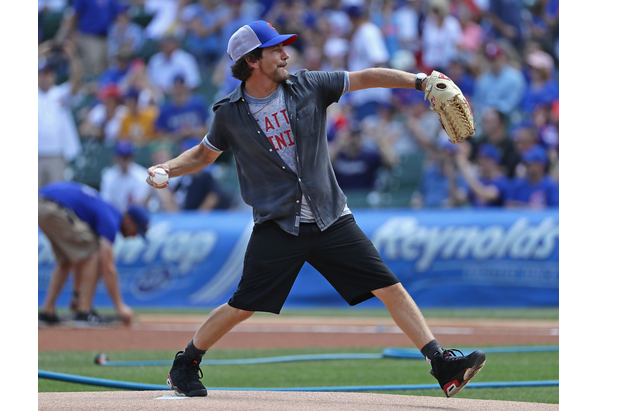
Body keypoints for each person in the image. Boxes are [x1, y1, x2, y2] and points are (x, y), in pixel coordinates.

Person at [145, 20, 486, 399]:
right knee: (242, 306)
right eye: (275, 49)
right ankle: (186, 363)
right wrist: (167, 168)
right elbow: (204, 153)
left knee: (390, 288)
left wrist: (420, 81)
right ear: (252, 60)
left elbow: (365, 77)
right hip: (278, 223)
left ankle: (442, 365)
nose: (285, 54)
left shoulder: (309, 84)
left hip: (330, 217)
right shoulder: (230, 113)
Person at [38, 181, 149, 325]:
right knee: (93, 250)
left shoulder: (107, 211)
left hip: (43, 204)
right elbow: (107, 268)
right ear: (128, 220)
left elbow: (80, 259)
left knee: (67, 261)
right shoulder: (112, 219)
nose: (134, 236)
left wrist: (77, 295)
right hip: (51, 206)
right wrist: (120, 306)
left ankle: (48, 312)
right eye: (136, 230)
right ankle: (83, 312)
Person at [54, 0, 122, 78]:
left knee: (106, 68)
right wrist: (72, 35)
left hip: (106, 37)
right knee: (94, 67)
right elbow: (75, 15)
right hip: (88, 36)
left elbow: (115, 13)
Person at [38, 40, 83, 187]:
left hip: (56, 154)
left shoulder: (59, 93)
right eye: (43, 74)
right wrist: (40, 52)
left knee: (55, 196)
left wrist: (72, 57)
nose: (46, 77)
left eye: (49, 74)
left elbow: (76, 82)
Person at [100, 140, 153, 212]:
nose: (123, 160)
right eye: (121, 157)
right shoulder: (108, 175)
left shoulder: (142, 175)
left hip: (135, 215)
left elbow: (141, 204)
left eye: (126, 157)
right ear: (115, 158)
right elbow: (105, 201)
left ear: (132, 157)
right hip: (115, 213)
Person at [455, 143, 509, 207]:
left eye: (485, 158)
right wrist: (451, 175)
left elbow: (484, 194)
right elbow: (458, 198)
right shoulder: (480, 180)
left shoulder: (502, 181)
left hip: (494, 216)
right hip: (475, 216)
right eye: (480, 158)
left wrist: (464, 167)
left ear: (494, 161)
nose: (481, 161)